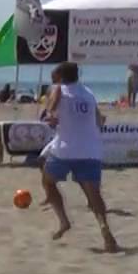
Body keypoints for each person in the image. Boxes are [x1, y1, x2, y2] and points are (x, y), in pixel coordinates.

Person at [41, 61, 119, 254]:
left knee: (47, 181)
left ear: (60, 77)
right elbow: (99, 121)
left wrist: (51, 115)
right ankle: (104, 228)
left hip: (65, 150)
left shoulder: (58, 89)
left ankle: (63, 221)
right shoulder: (89, 93)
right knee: (94, 195)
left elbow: (50, 112)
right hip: (90, 151)